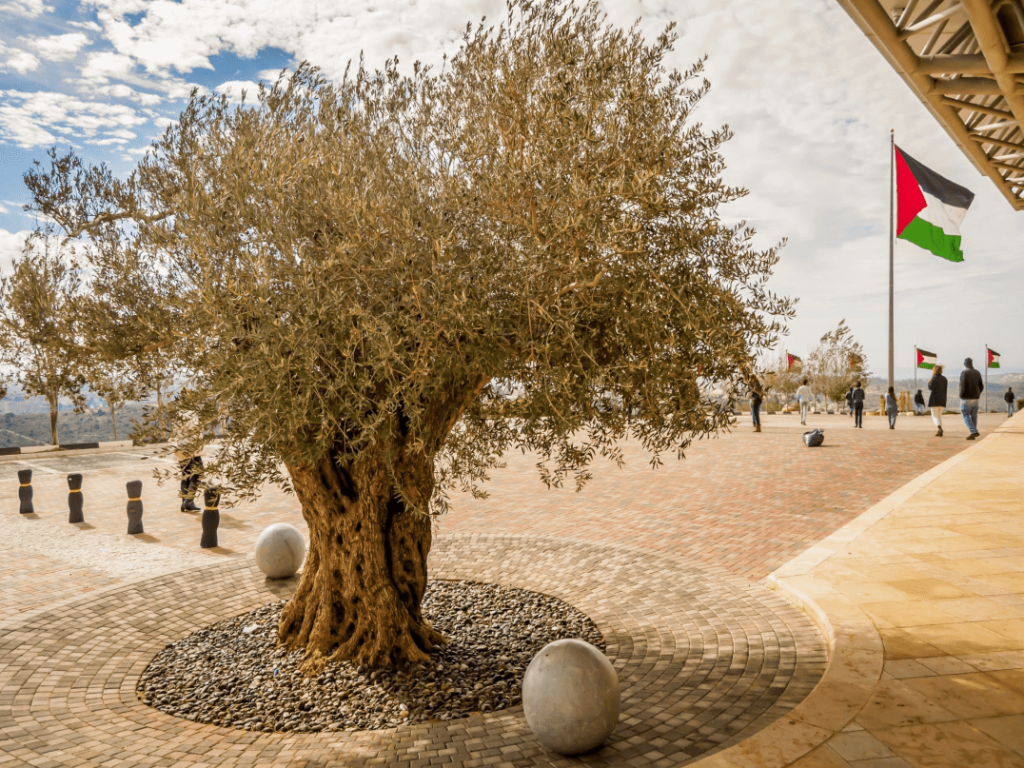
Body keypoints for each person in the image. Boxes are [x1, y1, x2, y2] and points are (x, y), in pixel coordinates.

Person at [959, 357, 984, 440]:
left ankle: (973, 431)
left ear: (965, 364)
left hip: (966, 397)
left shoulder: (964, 373)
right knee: (974, 416)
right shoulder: (977, 372)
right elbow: (981, 386)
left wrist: (961, 395)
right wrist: (978, 393)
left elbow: (962, 385)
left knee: (965, 414)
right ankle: (973, 433)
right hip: (976, 397)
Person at [927, 364, 948, 437]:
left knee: (934, 416)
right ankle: (939, 431)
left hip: (934, 400)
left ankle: (939, 428)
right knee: (939, 416)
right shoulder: (944, 379)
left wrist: (929, 382)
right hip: (942, 400)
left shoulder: (934, 378)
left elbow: (930, 387)